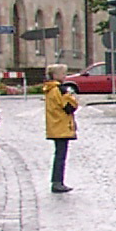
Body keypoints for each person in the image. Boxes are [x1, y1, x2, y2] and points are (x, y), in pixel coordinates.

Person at [43, 63, 78, 193]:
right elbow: (70, 107)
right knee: (60, 156)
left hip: (54, 126)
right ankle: (57, 182)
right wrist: (73, 97)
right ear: (56, 75)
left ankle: (57, 181)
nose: (65, 76)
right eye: (63, 74)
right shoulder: (59, 90)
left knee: (59, 154)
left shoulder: (49, 89)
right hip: (61, 127)